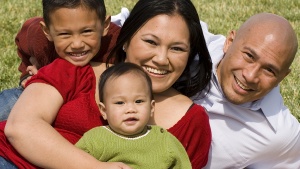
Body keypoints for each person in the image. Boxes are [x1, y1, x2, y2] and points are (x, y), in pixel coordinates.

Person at [0, 0, 212, 168]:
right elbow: (21, 127)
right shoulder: (76, 70)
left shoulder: (192, 122)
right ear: (126, 40)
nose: (161, 58)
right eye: (150, 42)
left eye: (177, 48)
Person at [192, 13, 300, 168]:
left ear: (283, 77)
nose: (250, 76)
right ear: (229, 42)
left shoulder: (281, 135)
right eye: (249, 56)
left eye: (269, 70)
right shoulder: (189, 42)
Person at [0, 6, 122, 121]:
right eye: (65, 34)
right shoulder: (40, 40)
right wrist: (26, 75)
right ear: (47, 31)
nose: (77, 44)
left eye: (87, 31)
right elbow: (23, 40)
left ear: (104, 26)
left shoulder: (116, 44)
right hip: (42, 93)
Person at [76, 62, 192, 168]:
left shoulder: (165, 140)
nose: (131, 109)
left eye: (139, 101)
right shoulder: (95, 139)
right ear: (104, 111)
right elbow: (74, 163)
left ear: (151, 107)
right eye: (120, 103)